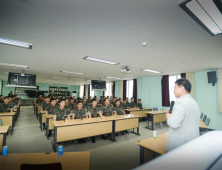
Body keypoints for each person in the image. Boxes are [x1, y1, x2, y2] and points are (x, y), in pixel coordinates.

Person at [165, 78, 199, 152]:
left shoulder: (181, 102)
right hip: (191, 141)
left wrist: (168, 116)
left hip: (180, 143)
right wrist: (173, 115)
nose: (173, 90)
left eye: (175, 88)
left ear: (182, 89)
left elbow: (174, 124)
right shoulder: (193, 101)